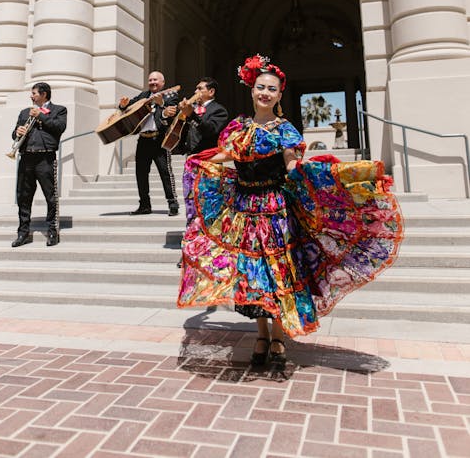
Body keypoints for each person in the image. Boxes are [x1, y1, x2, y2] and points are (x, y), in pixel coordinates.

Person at [177, 54, 403, 366]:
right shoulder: (237, 127)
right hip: (244, 209)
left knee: (279, 275)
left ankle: (279, 337)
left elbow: (291, 163)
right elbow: (227, 155)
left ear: (279, 94)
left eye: (271, 89)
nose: (264, 93)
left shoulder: (285, 130)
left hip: (275, 210)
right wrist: (198, 162)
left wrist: (305, 169)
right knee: (252, 277)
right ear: (252, 89)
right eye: (260, 87)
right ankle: (261, 335)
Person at [11, 82, 67, 247]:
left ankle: (52, 232)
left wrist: (40, 116)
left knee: (51, 197)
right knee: (23, 197)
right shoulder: (24, 112)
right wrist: (17, 132)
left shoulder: (59, 110)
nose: (31, 96)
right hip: (26, 157)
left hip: (45, 158)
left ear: (44, 94)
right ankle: (23, 233)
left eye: (34, 93)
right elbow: (14, 133)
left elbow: (59, 127)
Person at [119, 71, 180, 216]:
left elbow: (172, 114)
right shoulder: (143, 96)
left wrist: (162, 104)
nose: (152, 82)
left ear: (163, 82)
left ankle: (173, 203)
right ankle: (144, 205)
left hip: (159, 139)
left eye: (155, 80)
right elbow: (129, 107)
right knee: (140, 174)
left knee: (166, 173)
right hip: (143, 140)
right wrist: (123, 105)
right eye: (150, 80)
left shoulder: (170, 95)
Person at [178, 78, 229, 155]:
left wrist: (192, 115)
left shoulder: (219, 110)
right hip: (190, 155)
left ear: (211, 92)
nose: (195, 92)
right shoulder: (193, 107)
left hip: (208, 157)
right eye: (196, 89)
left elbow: (210, 130)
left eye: (200, 89)